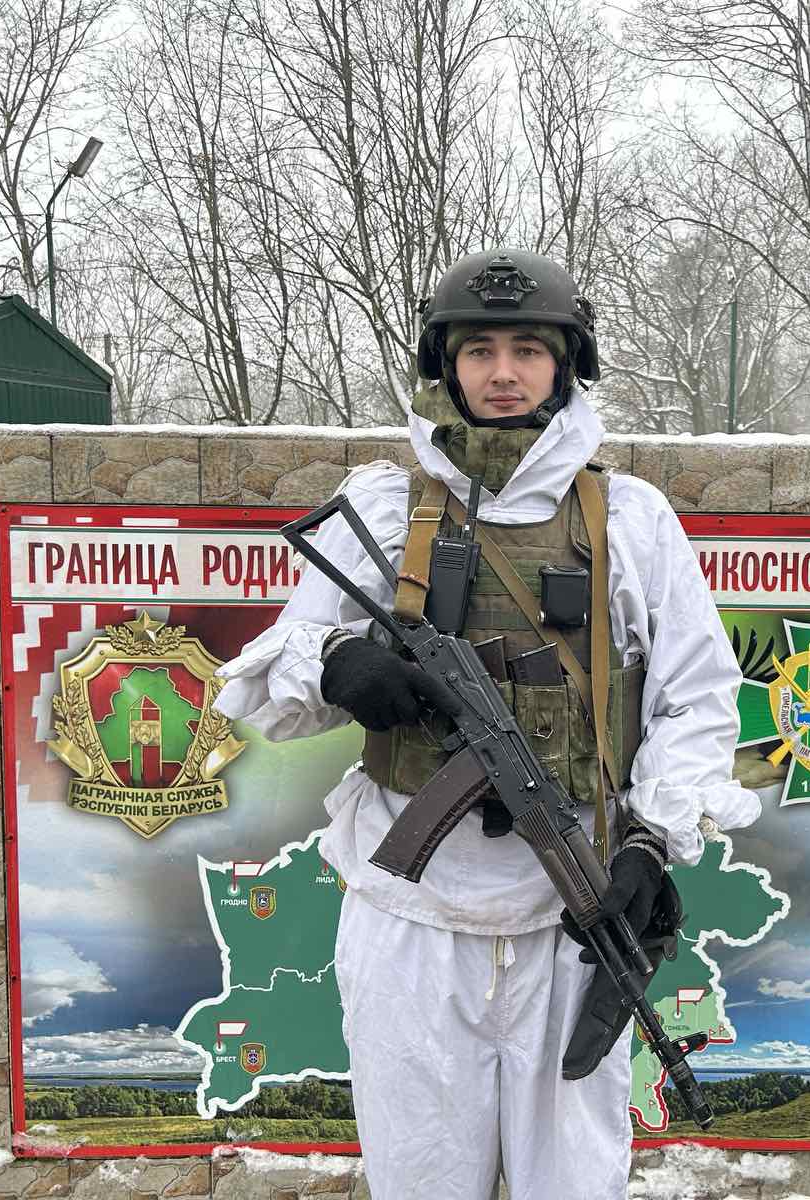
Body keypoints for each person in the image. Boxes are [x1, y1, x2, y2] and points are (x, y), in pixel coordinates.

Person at [212, 248, 760, 1200]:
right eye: (478, 352)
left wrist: (650, 845)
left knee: (575, 1177)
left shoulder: (628, 518)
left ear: (564, 365)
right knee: (420, 1172)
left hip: (569, 903)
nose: (501, 375)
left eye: (526, 351)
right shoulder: (385, 509)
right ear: (446, 366)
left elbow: (697, 695)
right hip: (409, 911)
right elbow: (272, 677)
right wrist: (341, 663)